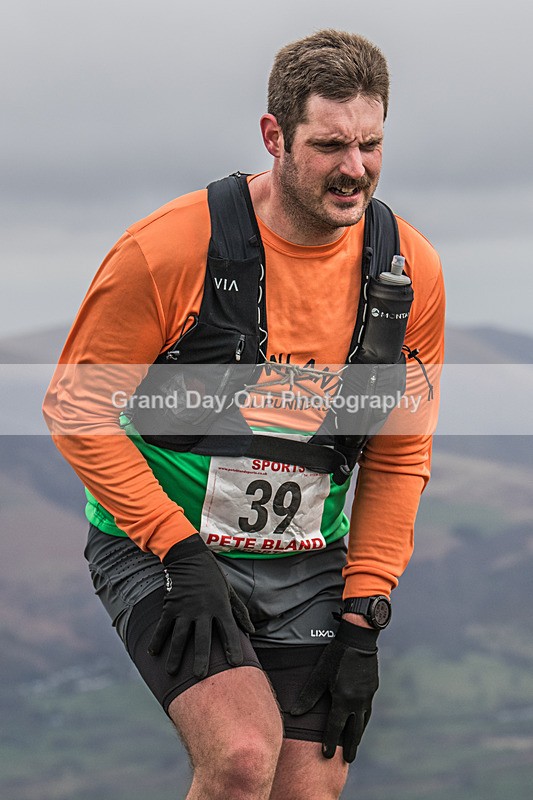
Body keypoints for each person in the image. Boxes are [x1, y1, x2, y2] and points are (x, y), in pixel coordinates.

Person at [43, 29, 445, 800]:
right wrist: (178, 550)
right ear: (274, 137)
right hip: (164, 544)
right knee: (239, 758)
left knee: (308, 786)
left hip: (305, 560)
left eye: (370, 144)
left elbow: (397, 453)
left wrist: (365, 609)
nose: (353, 170)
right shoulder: (167, 251)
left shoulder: (409, 271)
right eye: (330, 145)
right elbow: (77, 409)